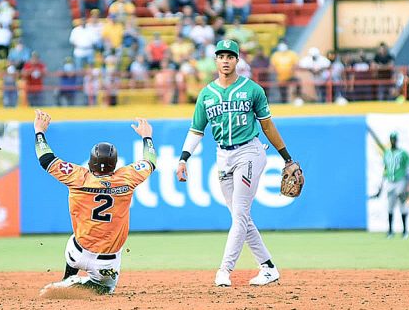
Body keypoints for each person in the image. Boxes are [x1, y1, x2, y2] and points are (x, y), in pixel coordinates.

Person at [176, 39, 298, 287]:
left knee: (240, 215)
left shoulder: (252, 90)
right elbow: (196, 130)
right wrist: (183, 159)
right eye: (221, 56)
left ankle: (224, 271)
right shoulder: (207, 95)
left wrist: (287, 158)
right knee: (241, 217)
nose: (225, 60)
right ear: (216, 60)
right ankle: (268, 268)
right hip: (223, 155)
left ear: (237, 60)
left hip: (249, 152)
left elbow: (267, 126)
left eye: (230, 56)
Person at [35, 111, 157, 295]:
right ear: (115, 163)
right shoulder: (127, 178)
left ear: (90, 162)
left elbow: (46, 159)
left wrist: (39, 132)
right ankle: (79, 283)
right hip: (106, 262)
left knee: (74, 242)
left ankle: (67, 279)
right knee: (106, 289)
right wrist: (147, 137)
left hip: (76, 251)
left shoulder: (78, 177)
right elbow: (150, 161)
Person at [373, 132, 409, 239]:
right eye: (392, 139)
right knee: (390, 206)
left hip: (400, 181)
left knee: (402, 205)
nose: (393, 141)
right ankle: (390, 231)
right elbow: (385, 170)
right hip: (390, 181)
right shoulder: (387, 153)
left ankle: (405, 231)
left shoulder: (403, 153)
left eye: (394, 139)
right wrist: (381, 185)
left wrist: (407, 184)